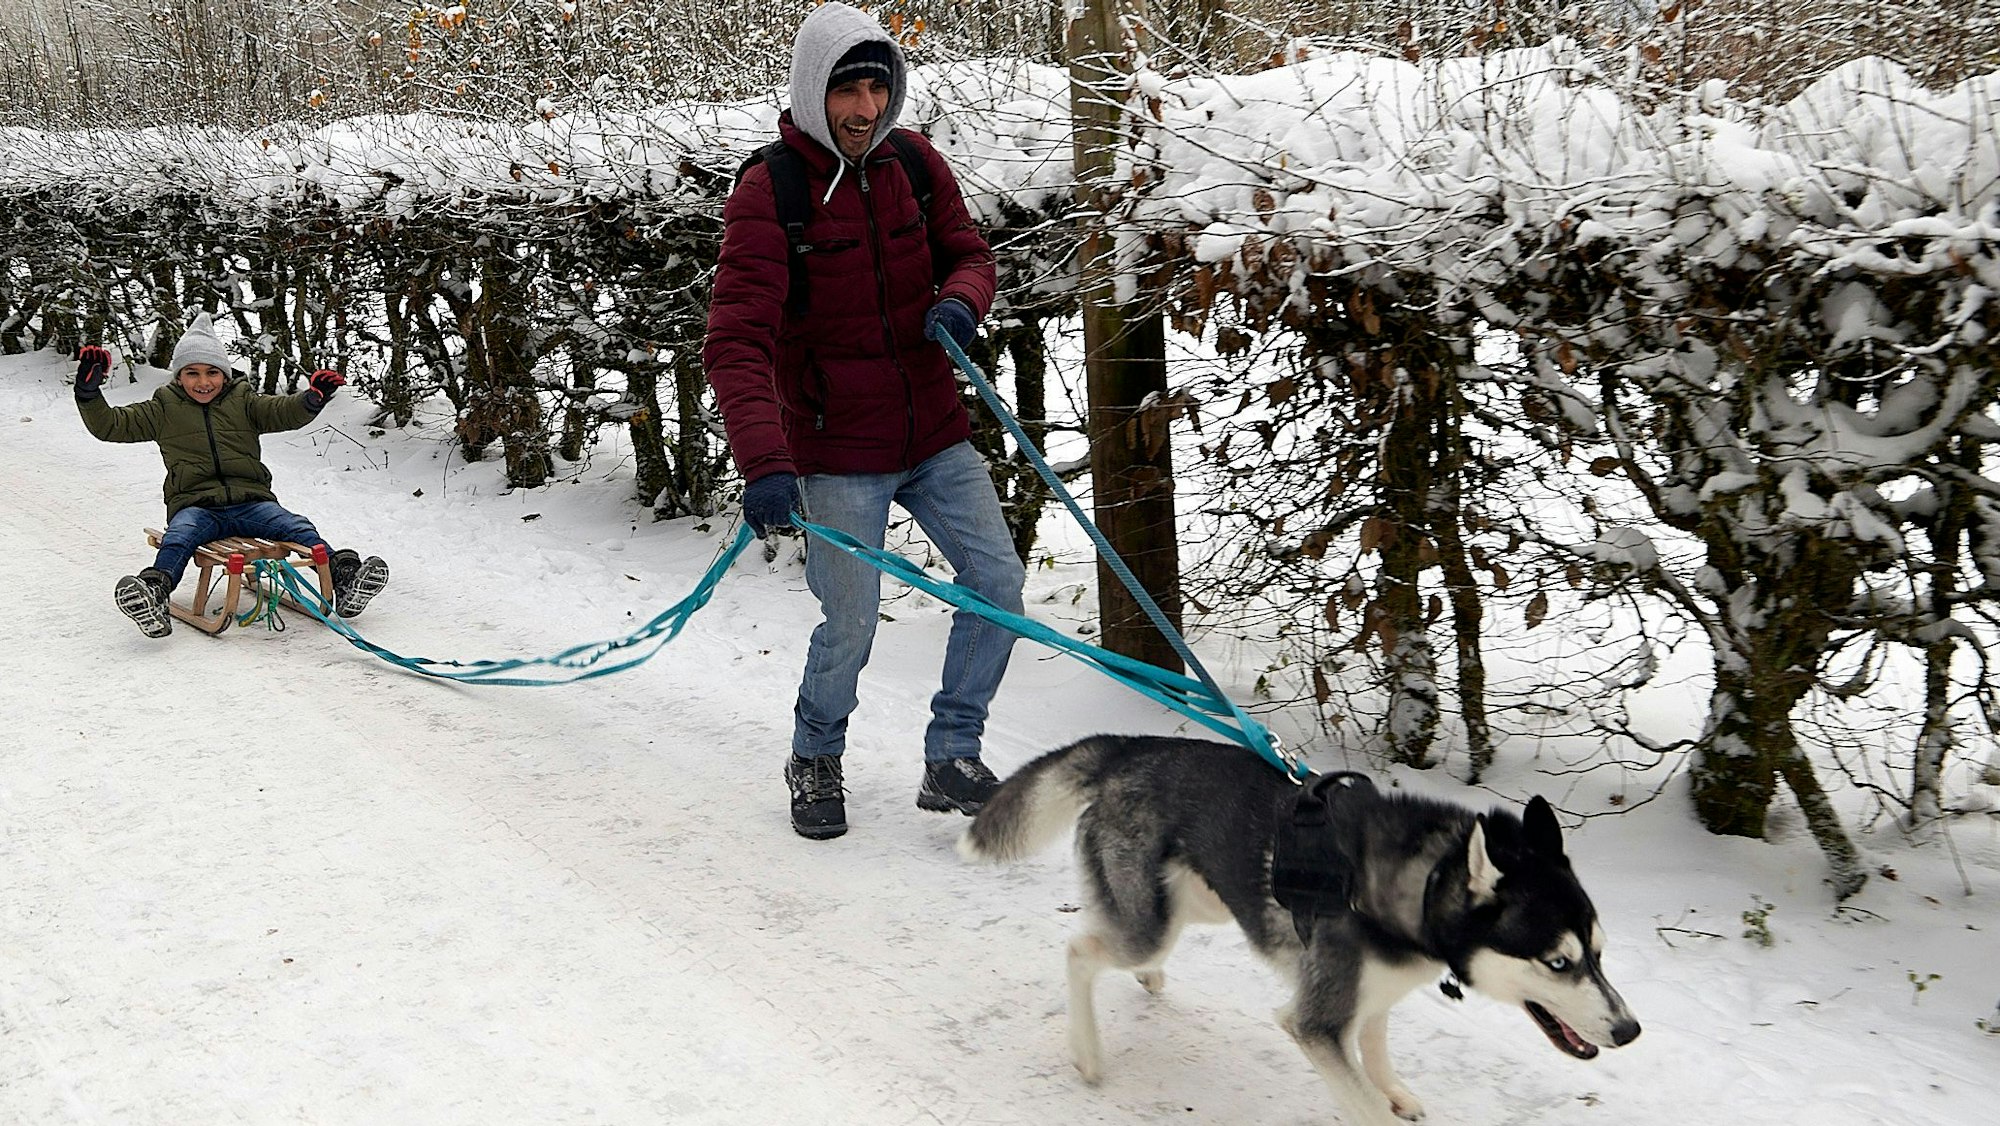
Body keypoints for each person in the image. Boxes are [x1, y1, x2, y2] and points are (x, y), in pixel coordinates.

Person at [703, 1, 1025, 840]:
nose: (865, 109)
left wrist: (962, 302)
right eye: (848, 91)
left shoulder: (913, 163)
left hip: (933, 433)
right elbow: (737, 338)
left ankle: (952, 753)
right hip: (838, 447)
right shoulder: (771, 191)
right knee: (849, 621)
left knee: (998, 584)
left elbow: (970, 254)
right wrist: (766, 463)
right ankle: (815, 753)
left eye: (877, 89)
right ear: (815, 92)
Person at [74, 312, 389, 638]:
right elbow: (110, 425)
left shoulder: (244, 401)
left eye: (212, 372)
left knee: (297, 526)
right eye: (192, 373)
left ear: (225, 375)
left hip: (251, 501)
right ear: (179, 376)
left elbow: (282, 412)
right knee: (179, 537)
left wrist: (311, 400)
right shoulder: (163, 408)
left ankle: (347, 576)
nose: (203, 381)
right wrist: (88, 393)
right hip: (196, 505)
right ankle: (154, 590)